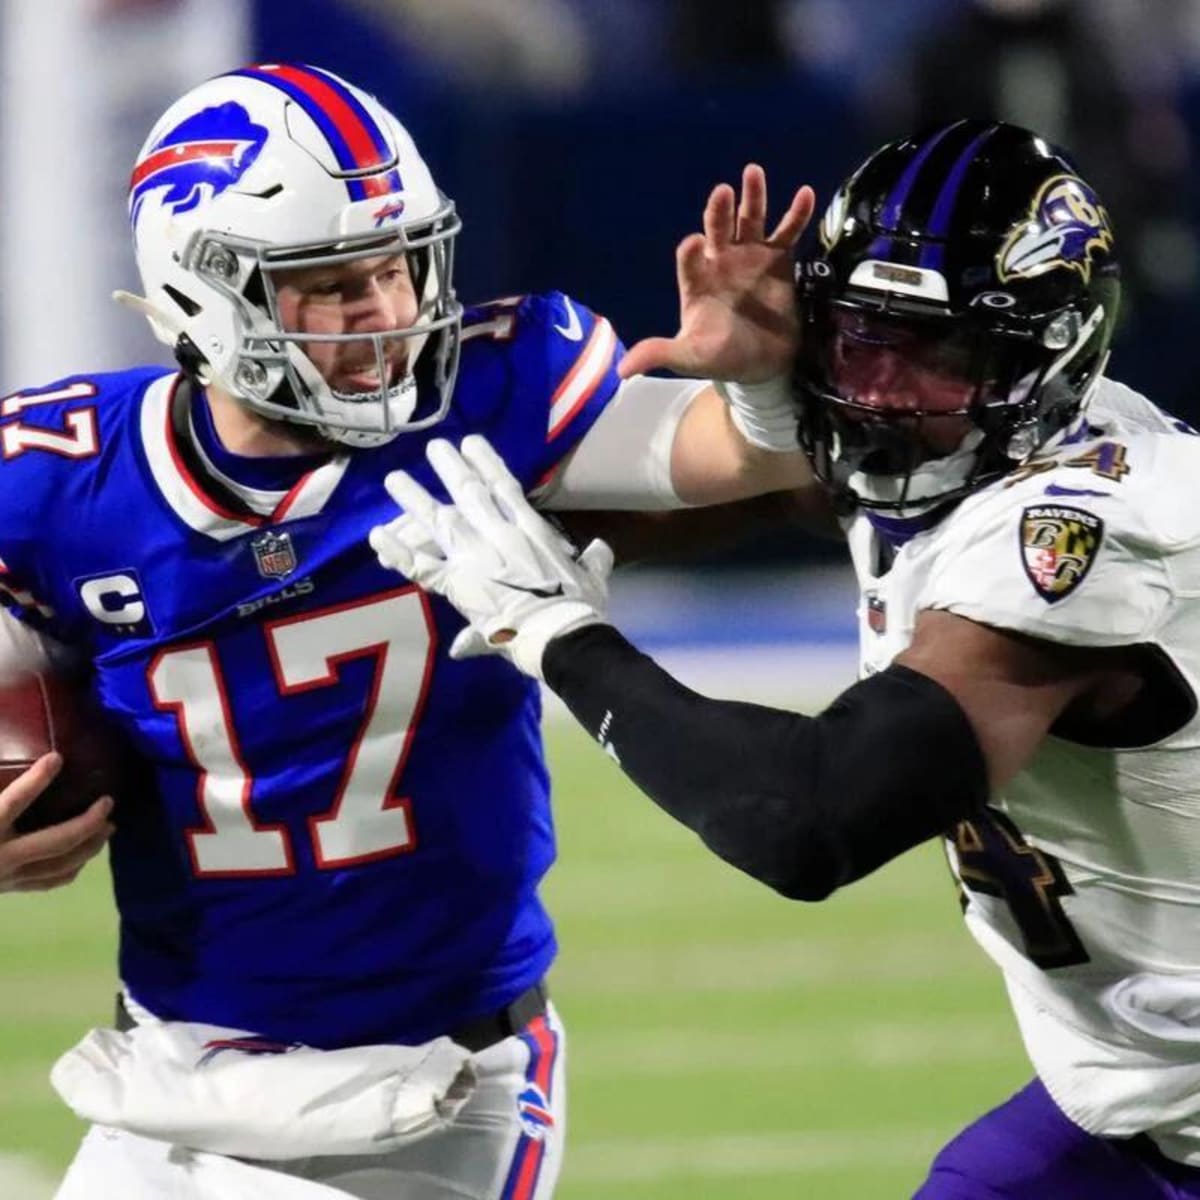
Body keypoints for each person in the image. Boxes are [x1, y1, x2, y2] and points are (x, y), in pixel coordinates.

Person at [0, 62, 818, 1199]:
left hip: (436, 1084)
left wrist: (769, 390)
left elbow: (738, 458)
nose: (385, 313)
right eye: (329, 284)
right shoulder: (55, 483)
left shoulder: (493, 392)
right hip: (167, 1071)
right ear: (203, 294)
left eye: (395, 267)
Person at [371, 118, 1200, 1196]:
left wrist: (561, 636)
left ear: (1044, 362)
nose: (887, 392)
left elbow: (809, 820)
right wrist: (765, 397)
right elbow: (791, 485)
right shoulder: (973, 449)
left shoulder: (1081, 534)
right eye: (864, 339)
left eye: (940, 356)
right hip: (1140, 1096)